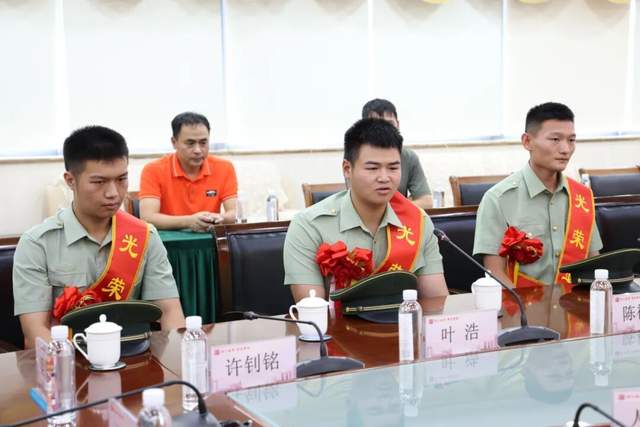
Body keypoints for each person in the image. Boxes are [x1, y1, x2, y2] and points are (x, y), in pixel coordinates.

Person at [13, 126, 185, 349]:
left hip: (134, 356)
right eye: (99, 182)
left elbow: (170, 312)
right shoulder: (37, 244)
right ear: (70, 180)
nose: (113, 193)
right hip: (68, 359)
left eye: (122, 179)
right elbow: (35, 332)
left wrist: (178, 359)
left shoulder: (144, 236)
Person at [284, 118, 449, 302]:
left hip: (404, 320)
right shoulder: (308, 226)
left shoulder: (418, 222)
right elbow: (311, 311)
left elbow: (437, 303)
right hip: (337, 322)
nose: (384, 178)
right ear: (347, 169)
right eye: (372, 168)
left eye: (393, 168)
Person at [473, 102, 602, 288]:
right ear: (527, 142)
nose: (565, 149)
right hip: (521, 303)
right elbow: (495, 273)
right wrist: (523, 306)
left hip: (576, 302)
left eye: (571, 140)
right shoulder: (498, 199)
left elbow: (593, 264)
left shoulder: (581, 197)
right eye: (555, 139)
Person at [139, 112, 237, 231]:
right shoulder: (153, 170)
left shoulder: (224, 168)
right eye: (190, 143)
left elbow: (233, 213)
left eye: (203, 143)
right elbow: (148, 218)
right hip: (168, 240)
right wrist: (189, 221)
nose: (198, 150)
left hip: (209, 238)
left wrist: (220, 218)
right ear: (174, 142)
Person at [362, 98, 433, 209]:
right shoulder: (356, 156)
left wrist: (394, 211)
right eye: (377, 124)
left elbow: (426, 202)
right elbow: (360, 205)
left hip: (399, 219)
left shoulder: (408, 157)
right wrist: (406, 206)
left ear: (398, 125)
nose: (385, 130)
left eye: (389, 124)